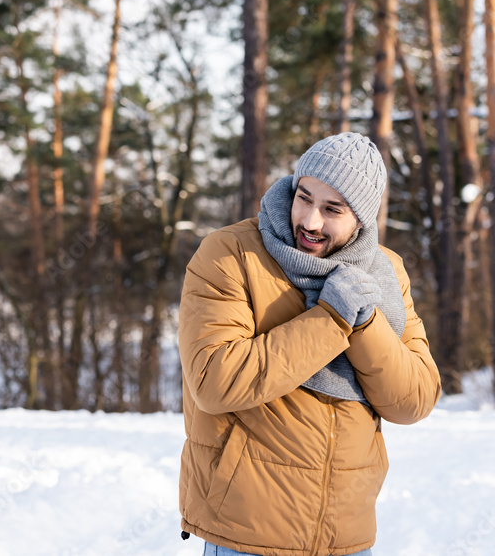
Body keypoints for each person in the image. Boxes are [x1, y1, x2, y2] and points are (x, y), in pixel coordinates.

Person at [177, 132, 441, 556]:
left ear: (362, 219)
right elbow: (215, 381)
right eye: (304, 197)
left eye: (332, 209)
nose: (310, 221)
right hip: (247, 533)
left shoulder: (385, 274)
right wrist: (331, 318)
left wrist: (365, 319)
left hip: (346, 536)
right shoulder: (230, 254)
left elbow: (414, 399)